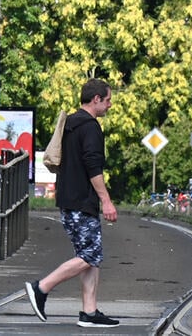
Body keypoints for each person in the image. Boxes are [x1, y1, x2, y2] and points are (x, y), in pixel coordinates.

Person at [25, 78, 119, 328]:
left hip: (69, 198)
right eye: (108, 100)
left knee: (89, 255)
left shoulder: (70, 123)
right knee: (91, 254)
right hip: (81, 201)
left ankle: (89, 312)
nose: (110, 105)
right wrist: (106, 201)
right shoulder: (90, 127)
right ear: (96, 99)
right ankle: (41, 288)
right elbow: (93, 167)